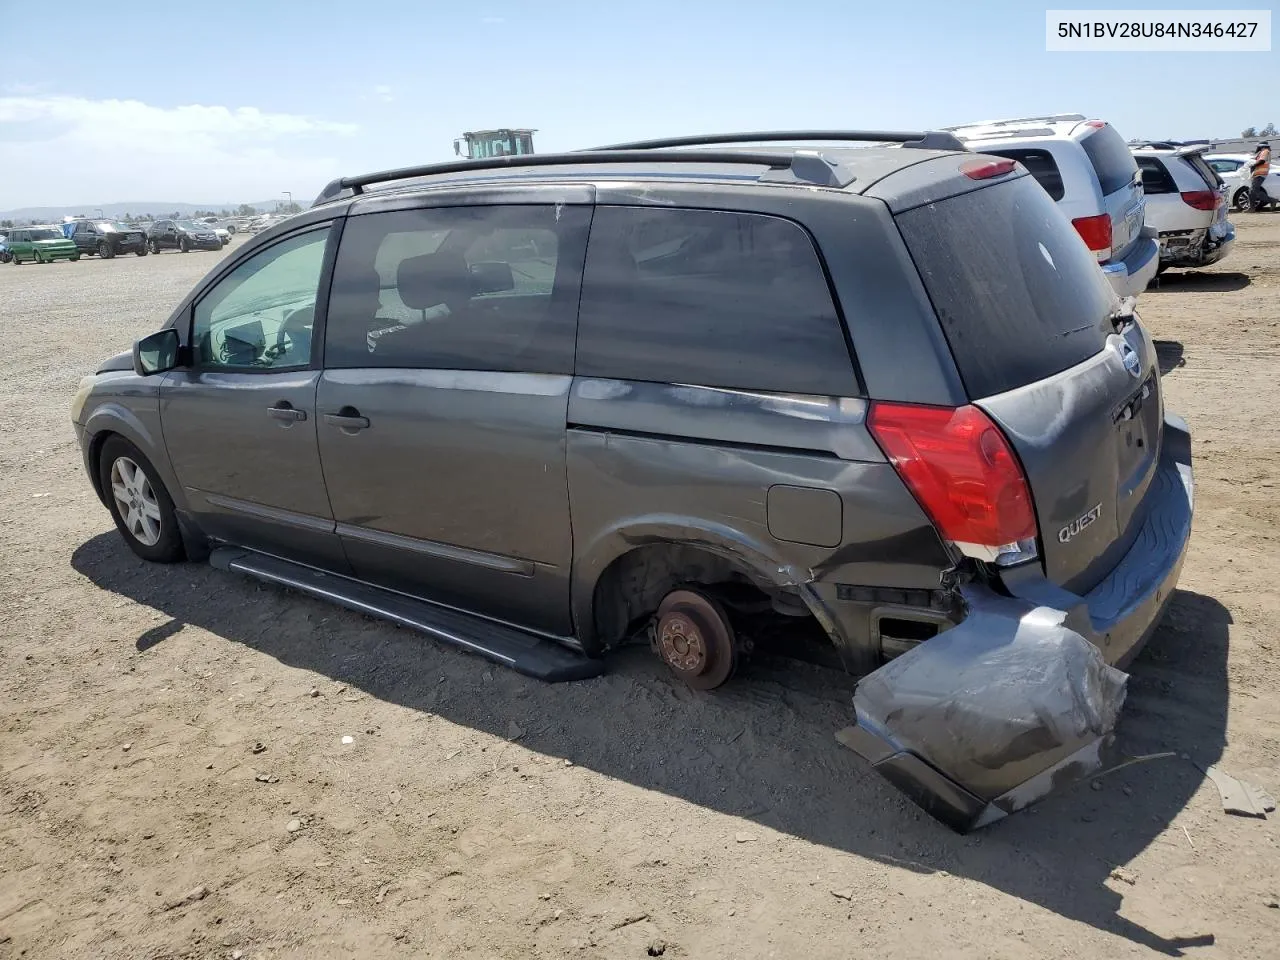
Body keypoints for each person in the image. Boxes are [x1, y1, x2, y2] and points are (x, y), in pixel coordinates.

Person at [1248, 141, 1272, 211]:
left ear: (1261, 146)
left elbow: (1262, 161)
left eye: (1258, 146)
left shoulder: (1265, 151)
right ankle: (1272, 200)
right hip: (1259, 173)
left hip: (1260, 173)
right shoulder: (1263, 152)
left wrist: (1253, 165)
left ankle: (1252, 208)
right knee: (1254, 191)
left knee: (1252, 191)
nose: (1257, 147)